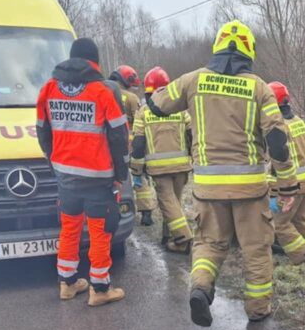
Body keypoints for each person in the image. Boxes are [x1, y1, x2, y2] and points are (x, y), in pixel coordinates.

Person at [148, 20, 298, 327]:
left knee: (208, 245)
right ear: (248, 51)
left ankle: (201, 288)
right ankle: (257, 310)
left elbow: (156, 105)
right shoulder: (259, 88)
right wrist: (288, 184)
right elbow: (278, 143)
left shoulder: (193, 81)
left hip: (207, 190)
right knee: (256, 250)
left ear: (217, 47)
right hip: (250, 190)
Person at [36, 38, 128, 306]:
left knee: (70, 227)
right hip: (98, 175)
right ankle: (99, 289)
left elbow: (42, 130)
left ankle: (67, 283)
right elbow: (119, 136)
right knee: (100, 231)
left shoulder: (49, 88)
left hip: (65, 174)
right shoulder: (103, 91)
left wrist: (53, 159)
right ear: (95, 61)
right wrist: (120, 173)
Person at [131, 67, 193, 253]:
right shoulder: (182, 111)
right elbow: (192, 136)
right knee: (175, 203)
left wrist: (136, 169)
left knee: (168, 203)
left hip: (160, 170)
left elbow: (138, 144)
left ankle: (183, 239)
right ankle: (168, 237)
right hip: (182, 167)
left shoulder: (144, 112)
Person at [267, 82, 305, 269]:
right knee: (301, 219)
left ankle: (303, 258)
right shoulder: (298, 121)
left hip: (292, 185)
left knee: (281, 225)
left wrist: (270, 185)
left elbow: (278, 158)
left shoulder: (277, 126)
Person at [108, 65, 157, 226]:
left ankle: (114, 209)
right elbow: (139, 121)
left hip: (109, 145)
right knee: (138, 176)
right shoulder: (131, 98)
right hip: (130, 143)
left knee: (113, 178)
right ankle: (146, 214)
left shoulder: (104, 93)